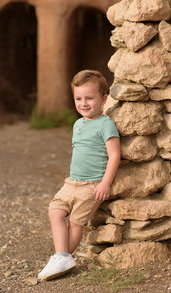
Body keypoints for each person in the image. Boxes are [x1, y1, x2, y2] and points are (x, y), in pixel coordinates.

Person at [38, 69, 121, 281]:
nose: (83, 103)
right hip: (71, 182)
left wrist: (105, 183)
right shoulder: (78, 124)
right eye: (78, 98)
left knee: (76, 223)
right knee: (55, 211)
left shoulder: (106, 124)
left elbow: (114, 156)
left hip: (91, 185)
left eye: (89, 98)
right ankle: (62, 255)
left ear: (103, 99)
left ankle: (63, 257)